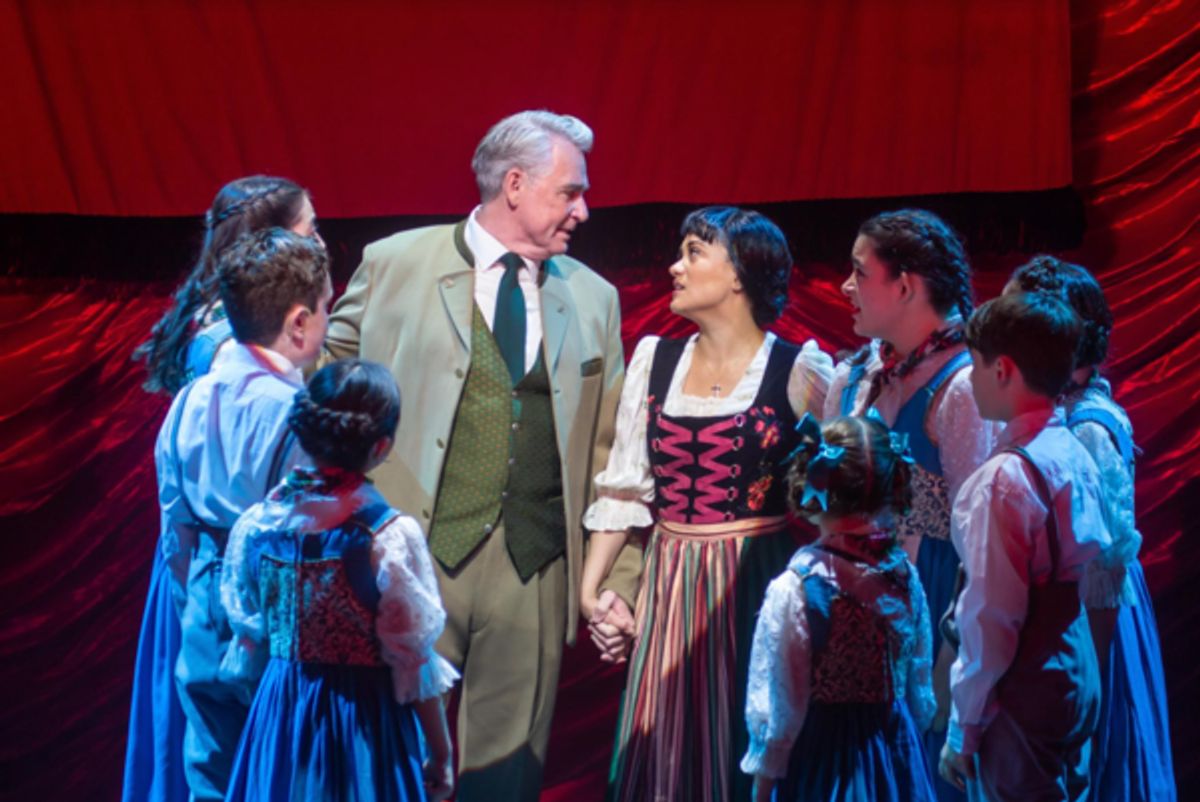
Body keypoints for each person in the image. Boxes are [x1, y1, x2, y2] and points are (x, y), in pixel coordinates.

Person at [322, 110, 641, 802]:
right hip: (411, 555)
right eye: (570, 191)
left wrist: (622, 576)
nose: (583, 210)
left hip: (535, 564)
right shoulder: (395, 263)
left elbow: (614, 452)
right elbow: (322, 385)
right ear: (517, 184)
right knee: (395, 762)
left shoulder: (594, 298)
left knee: (506, 778)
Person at [580, 206, 833, 802]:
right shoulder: (653, 361)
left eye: (694, 252)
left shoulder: (800, 369)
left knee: (744, 732)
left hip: (754, 581)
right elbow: (623, 488)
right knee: (664, 743)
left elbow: (845, 485)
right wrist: (596, 595)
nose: (676, 266)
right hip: (670, 579)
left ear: (741, 273)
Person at [123, 175, 321, 802]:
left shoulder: (217, 328)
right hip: (237, 575)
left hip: (198, 564)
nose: (319, 239)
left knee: (205, 741)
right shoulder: (230, 354)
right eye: (309, 229)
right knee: (246, 748)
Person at [220, 359, 458, 802]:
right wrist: (441, 753)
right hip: (363, 725)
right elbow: (412, 658)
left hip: (281, 717)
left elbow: (252, 634)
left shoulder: (259, 525)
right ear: (382, 446)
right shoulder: (385, 537)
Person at [826, 208, 997, 802]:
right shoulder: (859, 375)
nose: (845, 286)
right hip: (855, 602)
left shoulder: (962, 386)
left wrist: (956, 665)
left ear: (904, 286)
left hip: (930, 602)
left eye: (857, 271)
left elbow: (983, 544)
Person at [1006, 256, 1176, 801]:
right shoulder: (1058, 411)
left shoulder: (1089, 429)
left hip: (1089, 625)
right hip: (1064, 615)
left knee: (1088, 764)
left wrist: (1089, 687)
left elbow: (1103, 575)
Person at [939, 292, 1111, 801]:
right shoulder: (1071, 449)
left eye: (974, 365)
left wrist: (962, 730)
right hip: (1074, 660)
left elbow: (992, 617)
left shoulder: (1004, 480)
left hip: (1025, 677)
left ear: (1003, 370)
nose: (970, 379)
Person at [741, 414, 936, 802]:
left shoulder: (796, 588)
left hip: (825, 761)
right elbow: (918, 686)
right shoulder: (905, 577)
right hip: (894, 753)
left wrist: (763, 782)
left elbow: (781, 701)